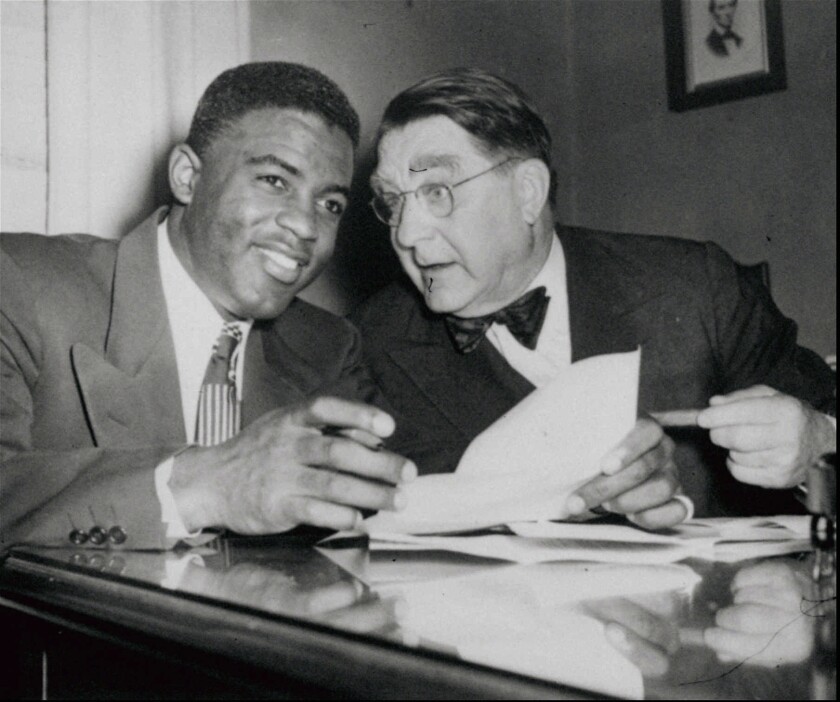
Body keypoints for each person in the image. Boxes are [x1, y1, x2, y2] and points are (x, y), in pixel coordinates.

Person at [354, 68, 836, 523]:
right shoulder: (366, 344)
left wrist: (818, 442)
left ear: (528, 192)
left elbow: (824, 417)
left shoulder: (695, 287)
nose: (408, 233)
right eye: (393, 201)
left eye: (437, 191)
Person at [0, 62, 417, 551]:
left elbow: (388, 510)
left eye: (330, 205)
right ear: (187, 176)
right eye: (274, 181)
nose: (306, 227)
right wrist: (203, 485)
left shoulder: (329, 346)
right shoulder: (20, 284)